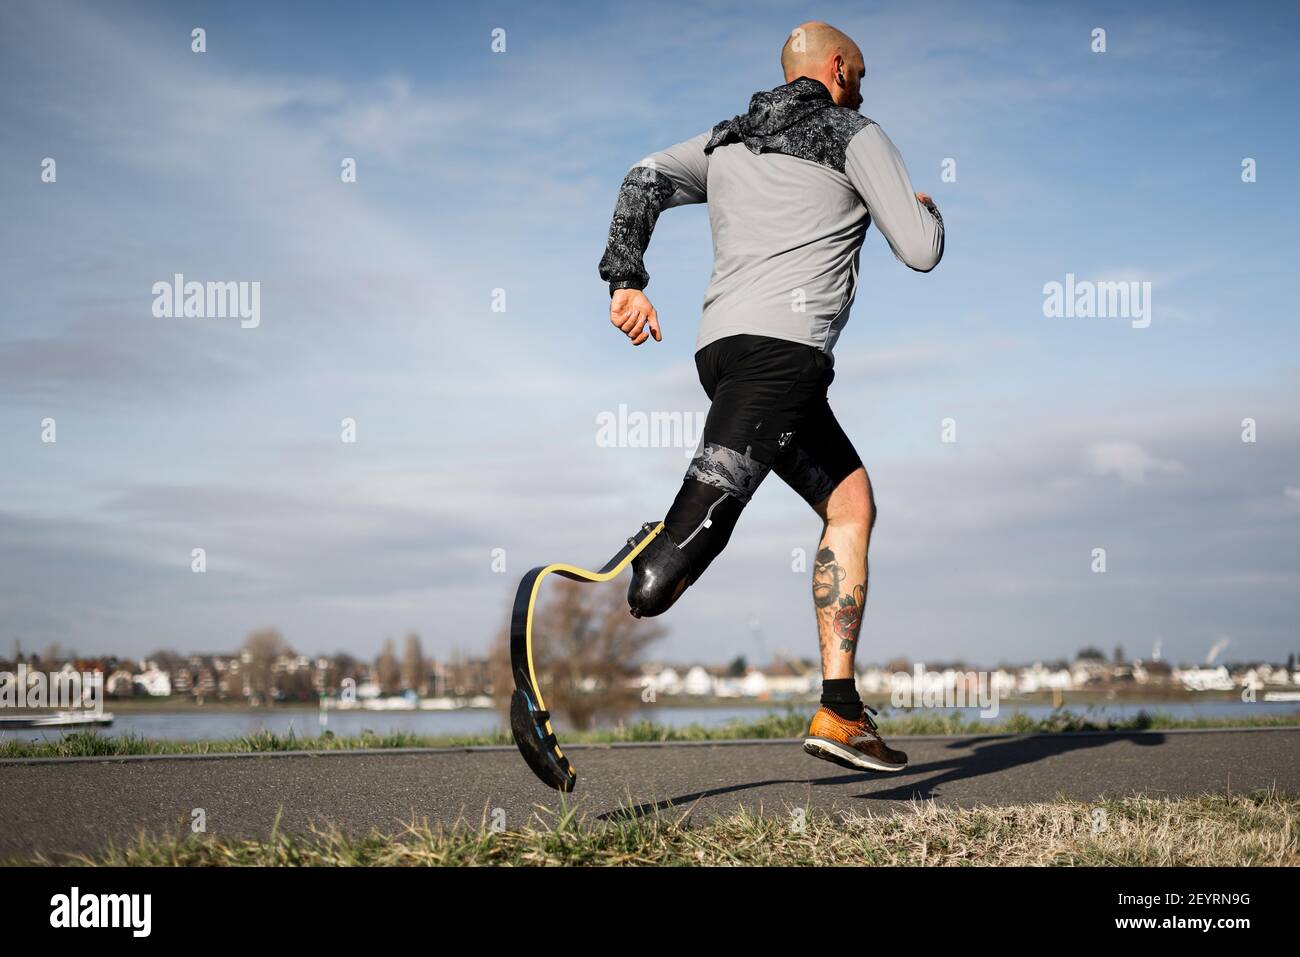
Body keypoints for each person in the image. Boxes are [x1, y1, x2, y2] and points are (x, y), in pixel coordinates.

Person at [597, 21, 943, 772]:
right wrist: (927, 209)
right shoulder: (855, 132)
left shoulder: (727, 139)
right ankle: (631, 567)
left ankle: (840, 709)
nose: (865, 85)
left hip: (721, 353)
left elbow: (641, 178)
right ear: (840, 66)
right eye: (862, 73)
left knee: (851, 501)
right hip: (781, 357)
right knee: (676, 558)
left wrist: (627, 279)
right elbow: (919, 250)